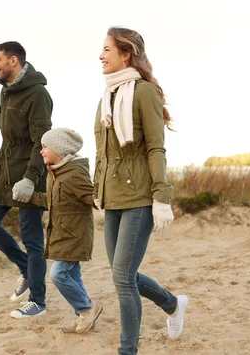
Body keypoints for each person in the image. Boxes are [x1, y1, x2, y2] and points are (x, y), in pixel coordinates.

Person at [93, 26, 188, 354]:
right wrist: (97, 194)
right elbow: (101, 152)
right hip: (112, 198)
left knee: (122, 279)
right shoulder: (106, 97)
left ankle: (127, 350)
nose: (101, 55)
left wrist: (161, 197)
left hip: (140, 198)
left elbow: (155, 149)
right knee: (123, 275)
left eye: (107, 49)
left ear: (126, 53)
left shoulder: (145, 92)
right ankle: (174, 304)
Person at [0, 41, 53, 318]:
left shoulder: (37, 94)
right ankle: (25, 268)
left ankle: (38, 301)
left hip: (28, 178)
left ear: (13, 60)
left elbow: (41, 141)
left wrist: (32, 179)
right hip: (5, 176)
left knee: (32, 239)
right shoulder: (6, 92)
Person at [22, 128, 102, 333]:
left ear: (59, 148)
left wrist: (105, 206)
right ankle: (84, 317)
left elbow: (92, 196)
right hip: (62, 234)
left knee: (58, 274)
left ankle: (87, 308)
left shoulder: (74, 173)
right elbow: (52, 201)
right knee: (73, 276)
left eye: (45, 147)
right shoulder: (55, 172)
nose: (41, 151)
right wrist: (29, 196)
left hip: (75, 235)